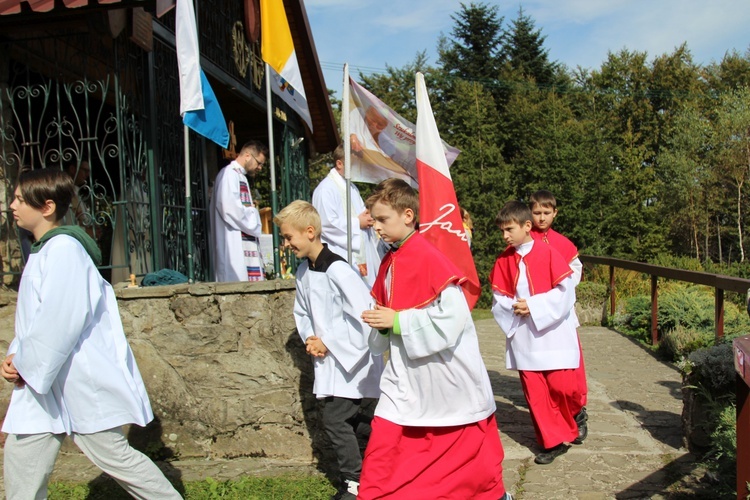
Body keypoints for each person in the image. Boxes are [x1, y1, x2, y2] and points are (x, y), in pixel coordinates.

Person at [1, 168, 181, 499]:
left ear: (47, 207)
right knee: (21, 458)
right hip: (43, 381)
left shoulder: (64, 251)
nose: (12, 205)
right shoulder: (44, 251)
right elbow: (35, 318)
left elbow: (60, 319)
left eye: (19, 199)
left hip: (75, 380)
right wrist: (17, 354)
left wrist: (26, 363)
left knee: (115, 457)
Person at [359, 179, 511, 500]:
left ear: (408, 215)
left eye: (383, 219)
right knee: (383, 451)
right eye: (373, 221)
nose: (377, 228)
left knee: (461, 468)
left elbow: (453, 319)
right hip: (405, 377)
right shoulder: (390, 260)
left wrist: (397, 320)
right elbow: (389, 313)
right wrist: (383, 324)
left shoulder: (430, 257)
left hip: (443, 376)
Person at [274, 200, 383, 500]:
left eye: (288, 237)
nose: (285, 244)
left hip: (353, 363)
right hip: (329, 362)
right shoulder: (302, 271)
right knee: (361, 424)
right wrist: (310, 337)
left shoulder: (339, 270)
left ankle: (354, 482)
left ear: (309, 232)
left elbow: (364, 316)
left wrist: (330, 342)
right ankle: (381, 472)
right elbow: (302, 312)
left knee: (337, 421)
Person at [489, 200, 582, 465]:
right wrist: (514, 307)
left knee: (564, 389)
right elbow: (498, 297)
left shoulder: (549, 253)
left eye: (509, 229)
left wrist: (534, 305)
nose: (505, 236)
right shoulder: (503, 260)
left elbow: (566, 292)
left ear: (526, 226)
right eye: (502, 231)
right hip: (525, 336)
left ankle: (571, 419)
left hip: (553, 334)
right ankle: (551, 442)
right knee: (537, 395)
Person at [529, 189, 588, 443]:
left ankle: (577, 412)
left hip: (561, 314)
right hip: (533, 314)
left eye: (546, 213)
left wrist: (557, 292)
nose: (541, 218)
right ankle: (551, 421)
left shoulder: (563, 243)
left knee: (571, 372)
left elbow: (575, 272)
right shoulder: (523, 240)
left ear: (555, 213)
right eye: (536, 212)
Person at [312, 144, 383, 287]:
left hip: (361, 255)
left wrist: (369, 217)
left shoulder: (351, 187)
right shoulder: (325, 189)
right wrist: (357, 223)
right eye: (354, 163)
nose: (358, 168)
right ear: (339, 163)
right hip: (340, 254)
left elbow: (361, 214)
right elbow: (326, 224)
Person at [210, 140, 268, 282]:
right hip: (232, 242)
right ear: (247, 155)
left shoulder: (240, 176)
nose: (260, 168)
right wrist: (253, 214)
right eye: (259, 163)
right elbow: (229, 209)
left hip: (240, 240)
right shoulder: (229, 174)